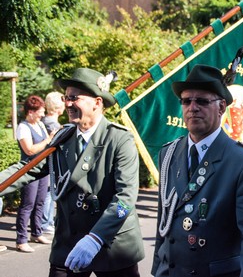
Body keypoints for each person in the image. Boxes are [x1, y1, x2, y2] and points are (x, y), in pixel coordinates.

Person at [0, 68, 144, 275]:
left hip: (113, 244)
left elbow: (126, 198)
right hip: (69, 240)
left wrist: (96, 238)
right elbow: (28, 169)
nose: (67, 104)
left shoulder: (119, 139)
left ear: (97, 102)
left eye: (74, 98)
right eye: (65, 97)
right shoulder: (63, 138)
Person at [152, 64, 243, 277]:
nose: (193, 107)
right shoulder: (168, 154)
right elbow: (164, 222)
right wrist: (157, 269)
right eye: (186, 101)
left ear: (221, 107)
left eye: (202, 101)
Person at [16, 95, 54, 252]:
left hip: (42, 170)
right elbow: (29, 150)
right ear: (31, 111)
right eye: (40, 111)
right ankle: (21, 239)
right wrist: (47, 140)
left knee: (40, 202)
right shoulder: (23, 127)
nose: (42, 114)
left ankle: (36, 232)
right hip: (29, 170)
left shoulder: (39, 124)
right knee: (28, 203)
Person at [41, 91, 65, 234]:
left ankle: (48, 221)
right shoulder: (52, 124)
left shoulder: (49, 122)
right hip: (48, 164)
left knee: (50, 194)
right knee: (48, 195)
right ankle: (46, 222)